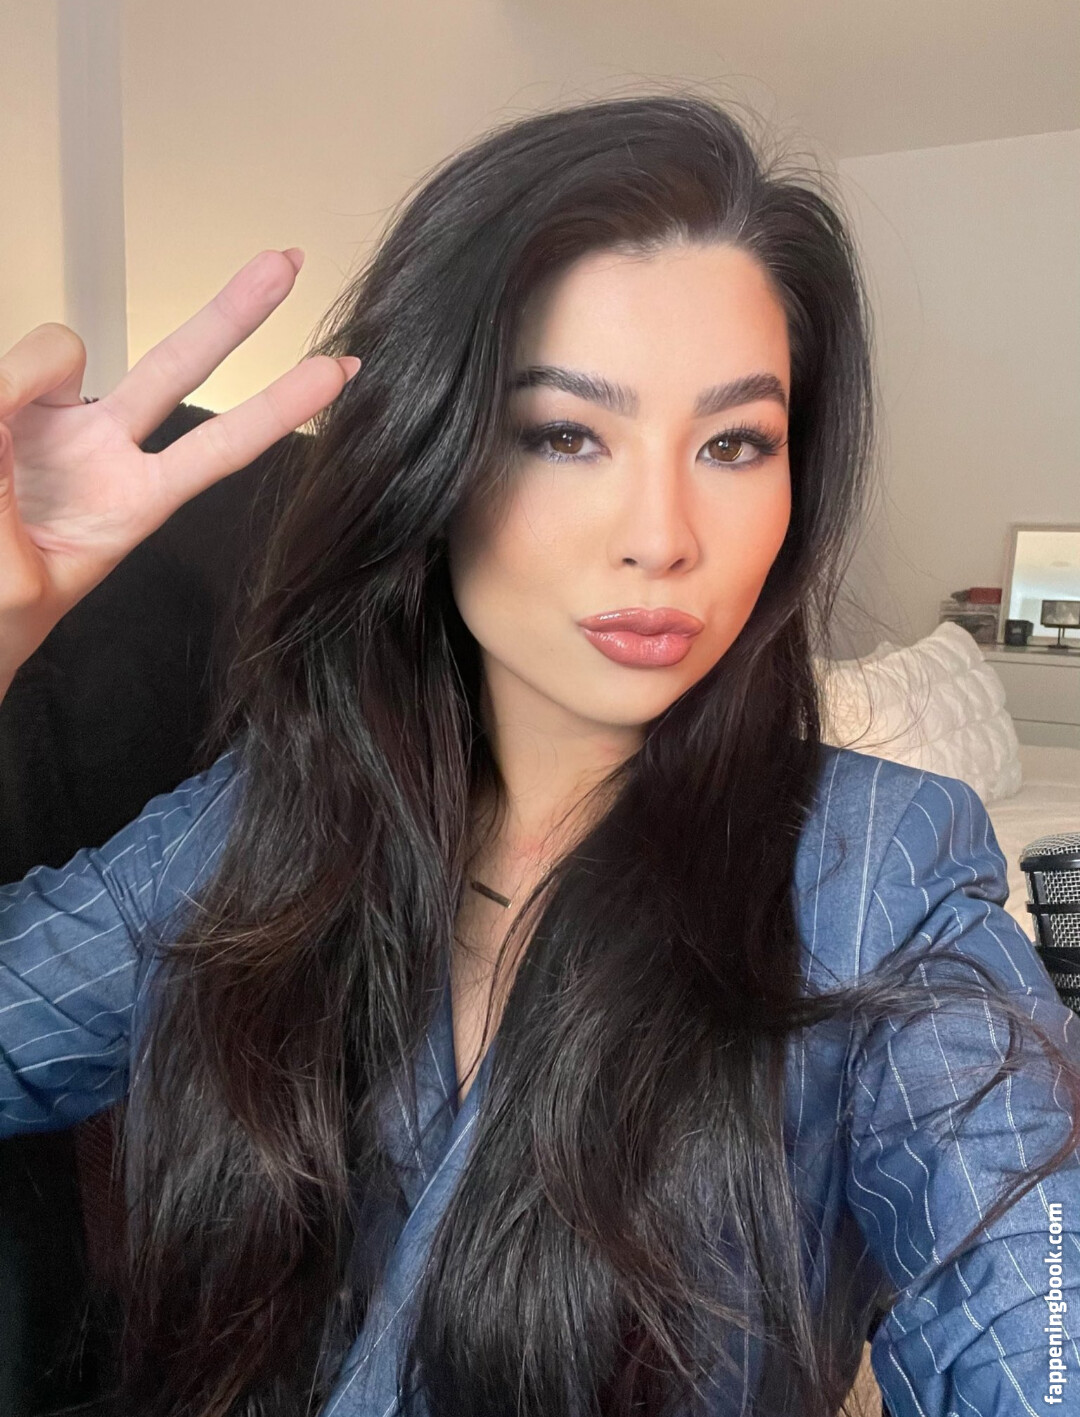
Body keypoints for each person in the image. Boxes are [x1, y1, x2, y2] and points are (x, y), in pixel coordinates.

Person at [0, 93, 1078, 1417]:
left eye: (735, 443)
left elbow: (1036, 1313)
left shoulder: (873, 878)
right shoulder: (265, 821)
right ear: (430, 459)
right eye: (568, 433)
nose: (662, 536)